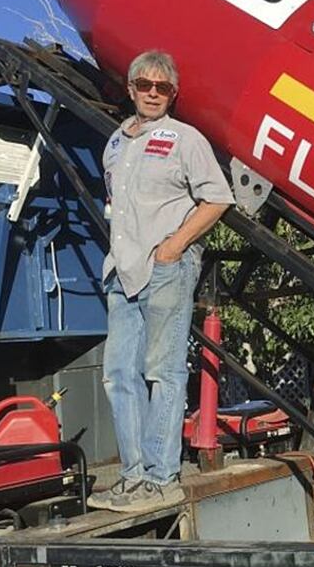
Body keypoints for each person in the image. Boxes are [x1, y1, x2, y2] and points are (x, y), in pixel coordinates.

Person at [90, 50, 234, 512]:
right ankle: (132, 477)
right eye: (145, 85)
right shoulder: (114, 144)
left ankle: (162, 477)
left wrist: (173, 247)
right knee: (118, 375)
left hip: (166, 268)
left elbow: (217, 198)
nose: (153, 93)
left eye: (163, 87)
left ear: (173, 93)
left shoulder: (185, 138)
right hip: (122, 272)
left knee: (163, 372)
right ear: (130, 88)